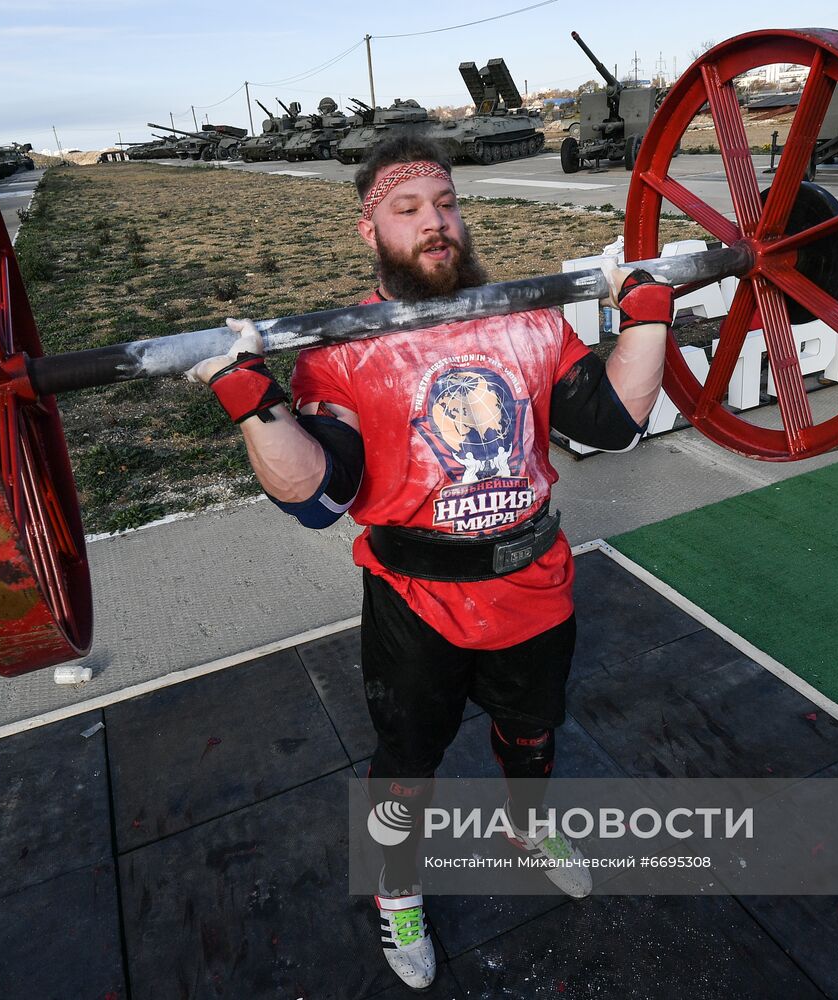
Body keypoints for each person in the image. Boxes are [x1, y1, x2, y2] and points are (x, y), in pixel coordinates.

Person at [187, 134, 670, 991]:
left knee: (531, 734)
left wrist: (646, 312)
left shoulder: (527, 318)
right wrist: (253, 402)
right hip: (417, 600)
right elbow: (314, 498)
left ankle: (527, 828)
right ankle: (396, 890)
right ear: (369, 232)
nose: (434, 224)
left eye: (444, 205)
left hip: (533, 582)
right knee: (406, 763)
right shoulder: (336, 352)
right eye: (406, 211)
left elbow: (613, 424)